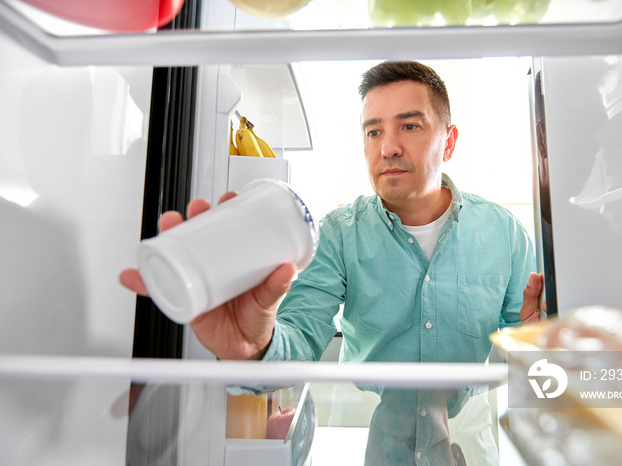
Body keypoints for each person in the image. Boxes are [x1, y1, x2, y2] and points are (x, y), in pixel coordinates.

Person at [120, 60, 544, 464]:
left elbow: (528, 360)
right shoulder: (339, 233)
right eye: (373, 132)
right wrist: (252, 350)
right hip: (366, 440)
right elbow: (297, 341)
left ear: (448, 141)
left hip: (469, 442)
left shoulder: (503, 233)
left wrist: (536, 341)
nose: (388, 147)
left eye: (409, 126)